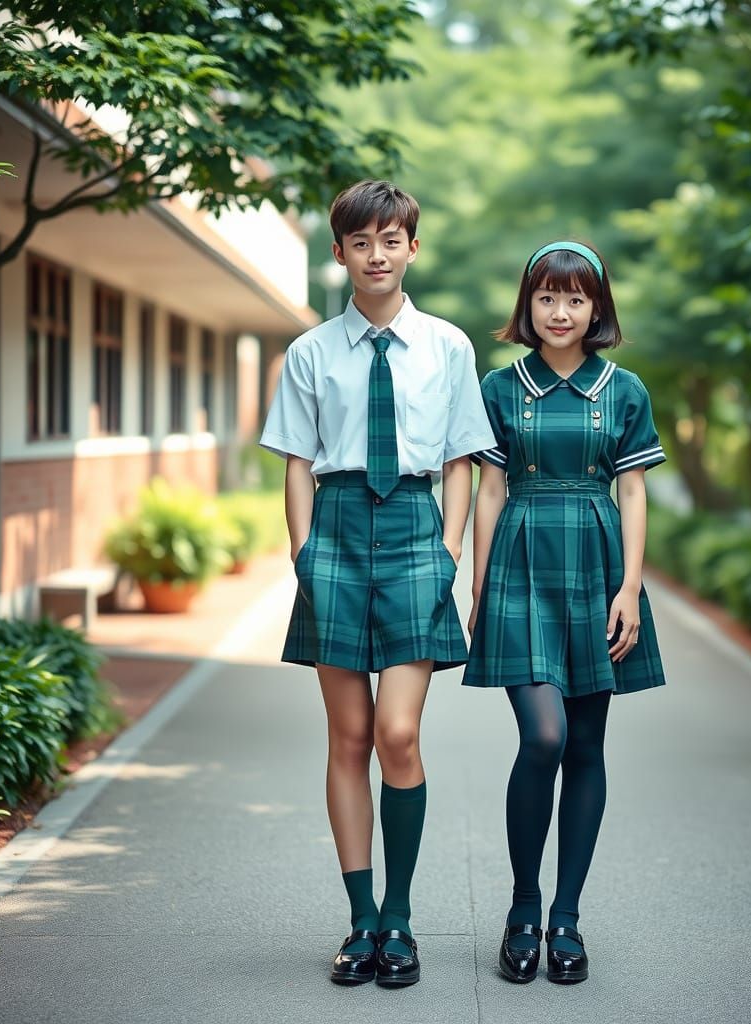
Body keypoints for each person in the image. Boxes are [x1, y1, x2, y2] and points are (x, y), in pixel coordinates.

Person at [260, 180, 496, 988]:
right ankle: (361, 922)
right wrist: (301, 555)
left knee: (398, 734)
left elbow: (463, 457)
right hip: (335, 530)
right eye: (361, 243)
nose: (377, 255)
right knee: (349, 737)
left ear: (412, 248)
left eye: (391, 241)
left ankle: (401, 916)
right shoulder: (311, 352)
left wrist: (451, 550)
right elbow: (296, 460)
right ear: (340, 253)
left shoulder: (449, 347)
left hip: (414, 534)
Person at [465, 240, 667, 985]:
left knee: (586, 744)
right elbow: (487, 491)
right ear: (529, 305)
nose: (560, 312)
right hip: (519, 561)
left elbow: (635, 491)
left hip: (596, 563)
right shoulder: (498, 386)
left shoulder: (624, 389)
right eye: (547, 297)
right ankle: (524, 906)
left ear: (596, 309)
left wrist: (630, 588)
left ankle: (567, 920)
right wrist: (481, 588)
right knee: (543, 736)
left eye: (576, 299)